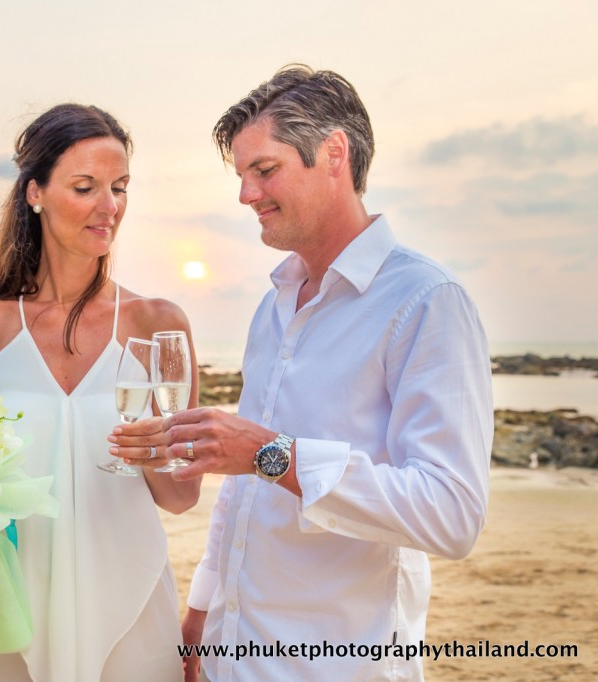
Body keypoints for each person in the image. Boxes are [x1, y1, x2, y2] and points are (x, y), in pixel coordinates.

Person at [111, 65, 494, 680]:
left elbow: (451, 515)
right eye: (242, 175)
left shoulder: (426, 301)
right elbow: (241, 489)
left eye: (264, 170)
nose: (246, 195)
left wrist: (272, 454)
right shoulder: (273, 308)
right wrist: (203, 609)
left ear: (334, 153)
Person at [0, 103, 201, 682]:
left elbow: (182, 497)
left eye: (120, 188)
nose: (110, 207)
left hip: (129, 598)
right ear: (35, 193)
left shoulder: (158, 323)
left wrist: (155, 454)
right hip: (9, 603)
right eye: (86, 187)